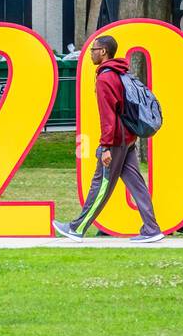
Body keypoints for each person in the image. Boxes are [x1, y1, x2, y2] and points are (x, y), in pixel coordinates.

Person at [53, 35, 166, 243]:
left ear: (103, 51)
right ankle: (152, 228)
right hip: (128, 138)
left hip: (116, 141)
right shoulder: (120, 72)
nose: (91, 53)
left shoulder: (105, 78)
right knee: (137, 184)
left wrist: (105, 147)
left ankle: (77, 228)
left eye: (93, 50)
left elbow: (108, 116)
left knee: (101, 184)